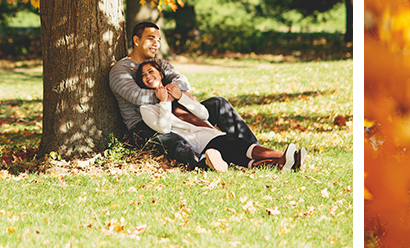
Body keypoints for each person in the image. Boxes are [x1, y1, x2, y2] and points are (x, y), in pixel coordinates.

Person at [107, 20, 303, 171]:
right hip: (144, 124)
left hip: (175, 111)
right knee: (172, 137)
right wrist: (168, 94)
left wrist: (177, 93)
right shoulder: (121, 70)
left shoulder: (159, 64)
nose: (156, 43)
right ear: (136, 40)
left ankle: (255, 150)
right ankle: (204, 162)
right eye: (151, 38)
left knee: (218, 103)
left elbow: (183, 81)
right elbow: (136, 96)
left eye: (158, 39)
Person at [133, 59, 293, 171]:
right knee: (239, 146)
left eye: (151, 71)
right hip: (200, 141)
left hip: (212, 133)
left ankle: (280, 164)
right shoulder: (147, 108)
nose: (148, 76)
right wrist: (164, 102)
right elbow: (164, 128)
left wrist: (181, 97)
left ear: (161, 74)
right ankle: (283, 156)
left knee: (239, 157)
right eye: (143, 75)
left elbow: (204, 114)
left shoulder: (179, 93)